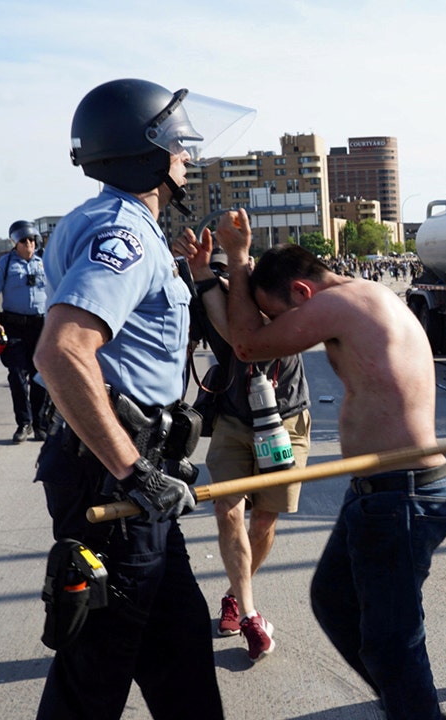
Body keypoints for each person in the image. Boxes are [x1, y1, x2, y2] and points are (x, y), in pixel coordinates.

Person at [31, 77, 252, 720]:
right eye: (177, 144)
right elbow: (61, 350)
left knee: (181, 656)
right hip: (119, 483)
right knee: (92, 676)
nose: (186, 156)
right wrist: (135, 471)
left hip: (133, 483)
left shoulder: (110, 222)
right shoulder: (122, 234)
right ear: (143, 152)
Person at [181, 212, 446, 720]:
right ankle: (407, 704)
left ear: (303, 293)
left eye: (278, 315)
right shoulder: (362, 299)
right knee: (334, 601)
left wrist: (239, 260)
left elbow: (246, 343)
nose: (278, 327)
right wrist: (206, 279)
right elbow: (243, 338)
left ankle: (413, 708)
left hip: (403, 493)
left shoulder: (339, 304)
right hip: (382, 492)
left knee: (393, 642)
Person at [178, 242, 312, 662]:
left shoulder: (276, 304)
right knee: (229, 511)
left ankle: (236, 594)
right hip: (235, 421)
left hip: (285, 421)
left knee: (265, 520)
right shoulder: (209, 302)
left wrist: (231, 272)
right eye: (217, 278)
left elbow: (252, 334)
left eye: (230, 276)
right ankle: (251, 613)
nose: (225, 284)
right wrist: (200, 281)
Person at [0, 221, 49, 443]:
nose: (29, 244)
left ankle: (41, 424)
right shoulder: (5, 264)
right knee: (16, 374)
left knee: (40, 376)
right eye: (24, 240)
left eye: (32, 240)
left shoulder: (44, 263)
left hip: (40, 326)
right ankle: (24, 423)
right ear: (16, 243)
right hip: (13, 326)